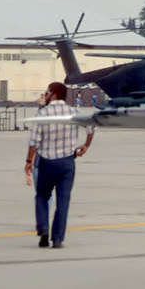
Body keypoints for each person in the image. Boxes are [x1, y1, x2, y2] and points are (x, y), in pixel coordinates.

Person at [23, 82, 94, 249]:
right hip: (67, 163)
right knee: (63, 201)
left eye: (46, 93)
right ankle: (58, 239)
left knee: (42, 195)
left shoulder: (42, 114)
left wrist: (28, 162)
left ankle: (44, 230)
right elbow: (91, 127)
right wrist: (86, 145)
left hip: (48, 162)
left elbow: (34, 142)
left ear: (53, 95)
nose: (45, 96)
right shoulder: (74, 112)